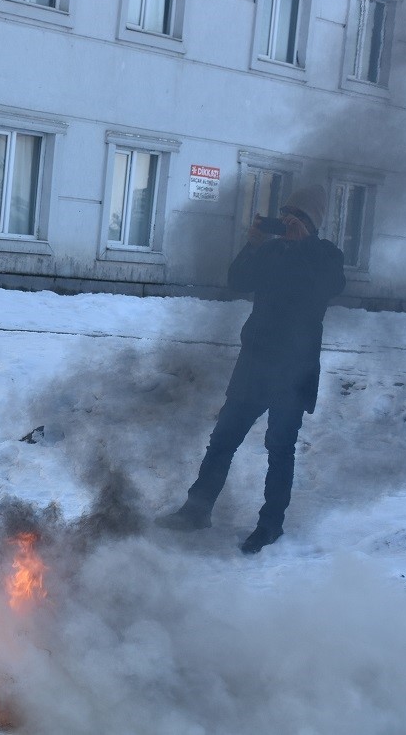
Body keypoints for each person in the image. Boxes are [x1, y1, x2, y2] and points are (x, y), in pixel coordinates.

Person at [156, 185, 346, 553]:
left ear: (312, 224)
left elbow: (330, 286)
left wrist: (304, 245)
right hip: (254, 366)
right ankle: (196, 511)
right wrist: (254, 243)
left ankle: (271, 524)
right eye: (285, 212)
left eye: (297, 216)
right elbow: (238, 280)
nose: (288, 220)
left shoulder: (325, 255)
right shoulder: (272, 250)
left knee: (279, 449)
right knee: (222, 440)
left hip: (294, 372)